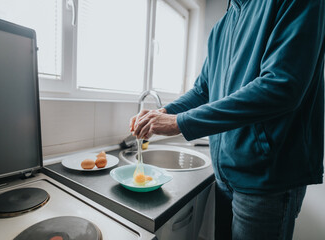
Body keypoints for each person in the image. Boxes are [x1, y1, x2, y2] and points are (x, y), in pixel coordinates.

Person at [130, 0, 325, 239]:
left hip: (267, 180)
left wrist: (179, 122)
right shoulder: (222, 26)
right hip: (226, 177)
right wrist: (164, 112)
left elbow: (280, 87)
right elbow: (203, 91)